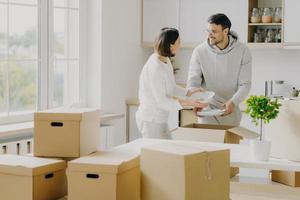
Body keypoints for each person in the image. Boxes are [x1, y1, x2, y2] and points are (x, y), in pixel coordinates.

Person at [136, 27, 208, 139]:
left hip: (160, 119)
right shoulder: (155, 68)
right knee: (158, 154)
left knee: (167, 150)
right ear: (171, 45)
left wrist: (189, 92)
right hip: (151, 119)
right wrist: (190, 103)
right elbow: (162, 101)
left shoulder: (165, 60)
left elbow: (172, 88)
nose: (180, 44)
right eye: (179, 42)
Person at [187, 13, 252, 126]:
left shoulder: (242, 51)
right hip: (206, 111)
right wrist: (196, 102)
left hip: (231, 110)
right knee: (209, 143)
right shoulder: (199, 51)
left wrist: (233, 102)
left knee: (230, 144)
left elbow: (245, 84)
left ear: (225, 31)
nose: (210, 35)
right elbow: (193, 82)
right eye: (208, 31)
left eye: (214, 31)